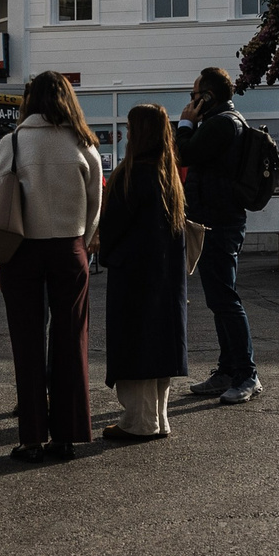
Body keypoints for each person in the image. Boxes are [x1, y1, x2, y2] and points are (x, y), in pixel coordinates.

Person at [0, 71, 104, 461]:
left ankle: (31, 436)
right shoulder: (83, 144)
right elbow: (94, 205)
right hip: (69, 248)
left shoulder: (12, 142)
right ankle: (66, 435)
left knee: (27, 341)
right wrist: (80, 243)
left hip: (22, 250)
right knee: (71, 341)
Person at [99, 103, 190, 442]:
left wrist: (106, 252)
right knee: (160, 347)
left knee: (134, 346)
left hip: (134, 275)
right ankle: (159, 419)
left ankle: (139, 421)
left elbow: (113, 226)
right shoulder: (169, 175)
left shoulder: (132, 173)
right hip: (166, 278)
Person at [173, 67, 261, 405]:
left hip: (220, 221)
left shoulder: (223, 123)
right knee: (218, 298)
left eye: (194, 96)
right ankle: (227, 370)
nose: (190, 102)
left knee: (225, 299)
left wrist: (185, 123)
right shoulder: (224, 121)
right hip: (214, 218)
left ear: (206, 97)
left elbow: (185, 153)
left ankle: (246, 374)